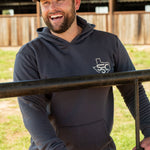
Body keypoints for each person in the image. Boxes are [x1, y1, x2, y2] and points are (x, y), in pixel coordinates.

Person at [13, 0, 150, 149]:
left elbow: (133, 92)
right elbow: (32, 112)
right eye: (46, 2)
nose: (52, 8)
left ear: (76, 3)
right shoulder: (29, 54)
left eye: (59, 0)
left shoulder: (109, 43)